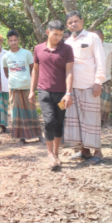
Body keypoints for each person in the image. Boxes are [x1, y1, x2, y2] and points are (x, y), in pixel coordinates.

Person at [30, 20, 74, 170]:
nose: (58, 37)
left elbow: (69, 72)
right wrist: (31, 91)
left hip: (62, 95)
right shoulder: (38, 49)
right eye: (55, 34)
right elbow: (35, 70)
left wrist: (68, 93)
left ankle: (56, 153)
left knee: (59, 122)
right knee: (49, 121)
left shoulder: (67, 49)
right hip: (44, 92)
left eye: (61, 35)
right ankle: (49, 154)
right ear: (48, 32)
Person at [64, 11, 106, 164]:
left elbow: (100, 60)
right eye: (70, 22)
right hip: (73, 86)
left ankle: (98, 152)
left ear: (82, 21)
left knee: (91, 120)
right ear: (67, 25)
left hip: (89, 85)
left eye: (75, 21)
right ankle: (84, 151)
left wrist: (98, 82)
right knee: (76, 121)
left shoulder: (92, 37)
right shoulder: (67, 42)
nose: (73, 24)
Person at [3, 30, 44, 145]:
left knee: (32, 111)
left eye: (15, 40)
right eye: (11, 41)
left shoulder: (26, 53)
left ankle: (39, 135)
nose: (13, 42)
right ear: (8, 42)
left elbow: (34, 69)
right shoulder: (6, 56)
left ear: (18, 40)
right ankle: (21, 138)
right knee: (17, 113)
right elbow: (6, 72)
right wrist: (14, 81)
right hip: (14, 88)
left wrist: (32, 85)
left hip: (27, 87)